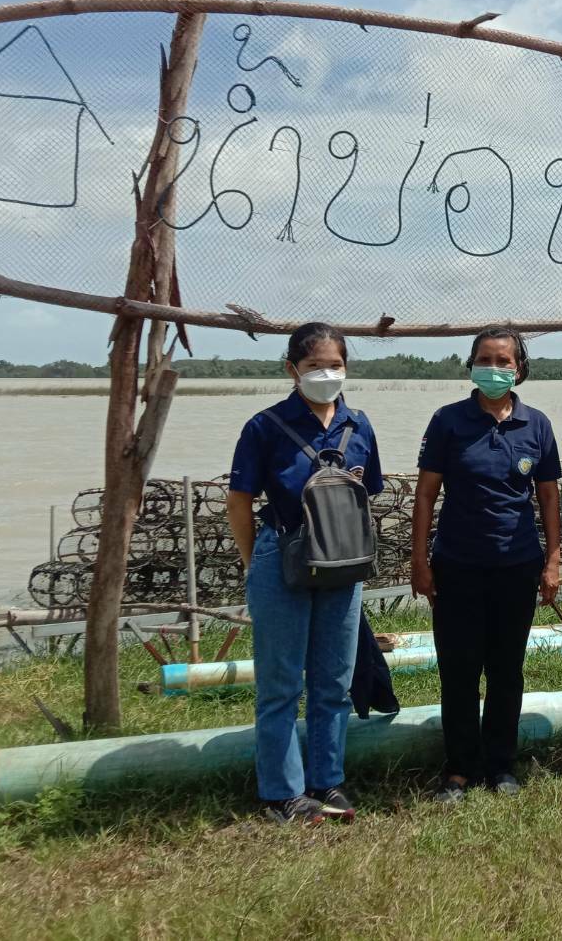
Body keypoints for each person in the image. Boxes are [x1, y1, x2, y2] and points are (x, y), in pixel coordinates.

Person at [226, 322, 383, 824]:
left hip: (343, 563)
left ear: (346, 369)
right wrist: (257, 561)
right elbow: (239, 501)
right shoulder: (265, 426)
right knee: (280, 683)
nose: (325, 374)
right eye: (314, 366)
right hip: (282, 558)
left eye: (334, 365)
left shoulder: (359, 426)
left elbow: (368, 493)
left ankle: (327, 781)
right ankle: (282, 793)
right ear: (291, 369)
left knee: (334, 680)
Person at [411, 327, 562, 803]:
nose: (494, 368)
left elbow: (548, 497)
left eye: (504, 361)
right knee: (458, 669)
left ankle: (501, 765)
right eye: (485, 359)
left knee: (506, 670)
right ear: (470, 365)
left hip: (517, 566)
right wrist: (420, 558)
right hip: (456, 564)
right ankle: (458, 769)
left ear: (520, 369)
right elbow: (426, 493)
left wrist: (553, 558)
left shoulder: (536, 425)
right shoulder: (448, 421)